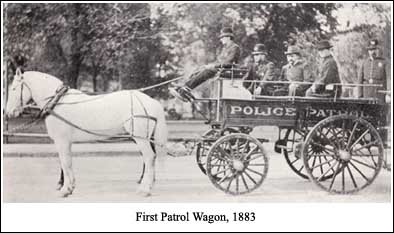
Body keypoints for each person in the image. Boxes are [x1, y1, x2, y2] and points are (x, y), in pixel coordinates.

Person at [169, 27, 241, 102]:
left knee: (207, 71)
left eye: (222, 37)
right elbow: (219, 61)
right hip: (221, 69)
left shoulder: (235, 48)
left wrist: (213, 66)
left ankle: (186, 88)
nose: (221, 39)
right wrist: (208, 65)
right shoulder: (225, 49)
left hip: (228, 70)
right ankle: (184, 87)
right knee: (199, 69)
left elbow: (228, 63)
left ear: (228, 37)